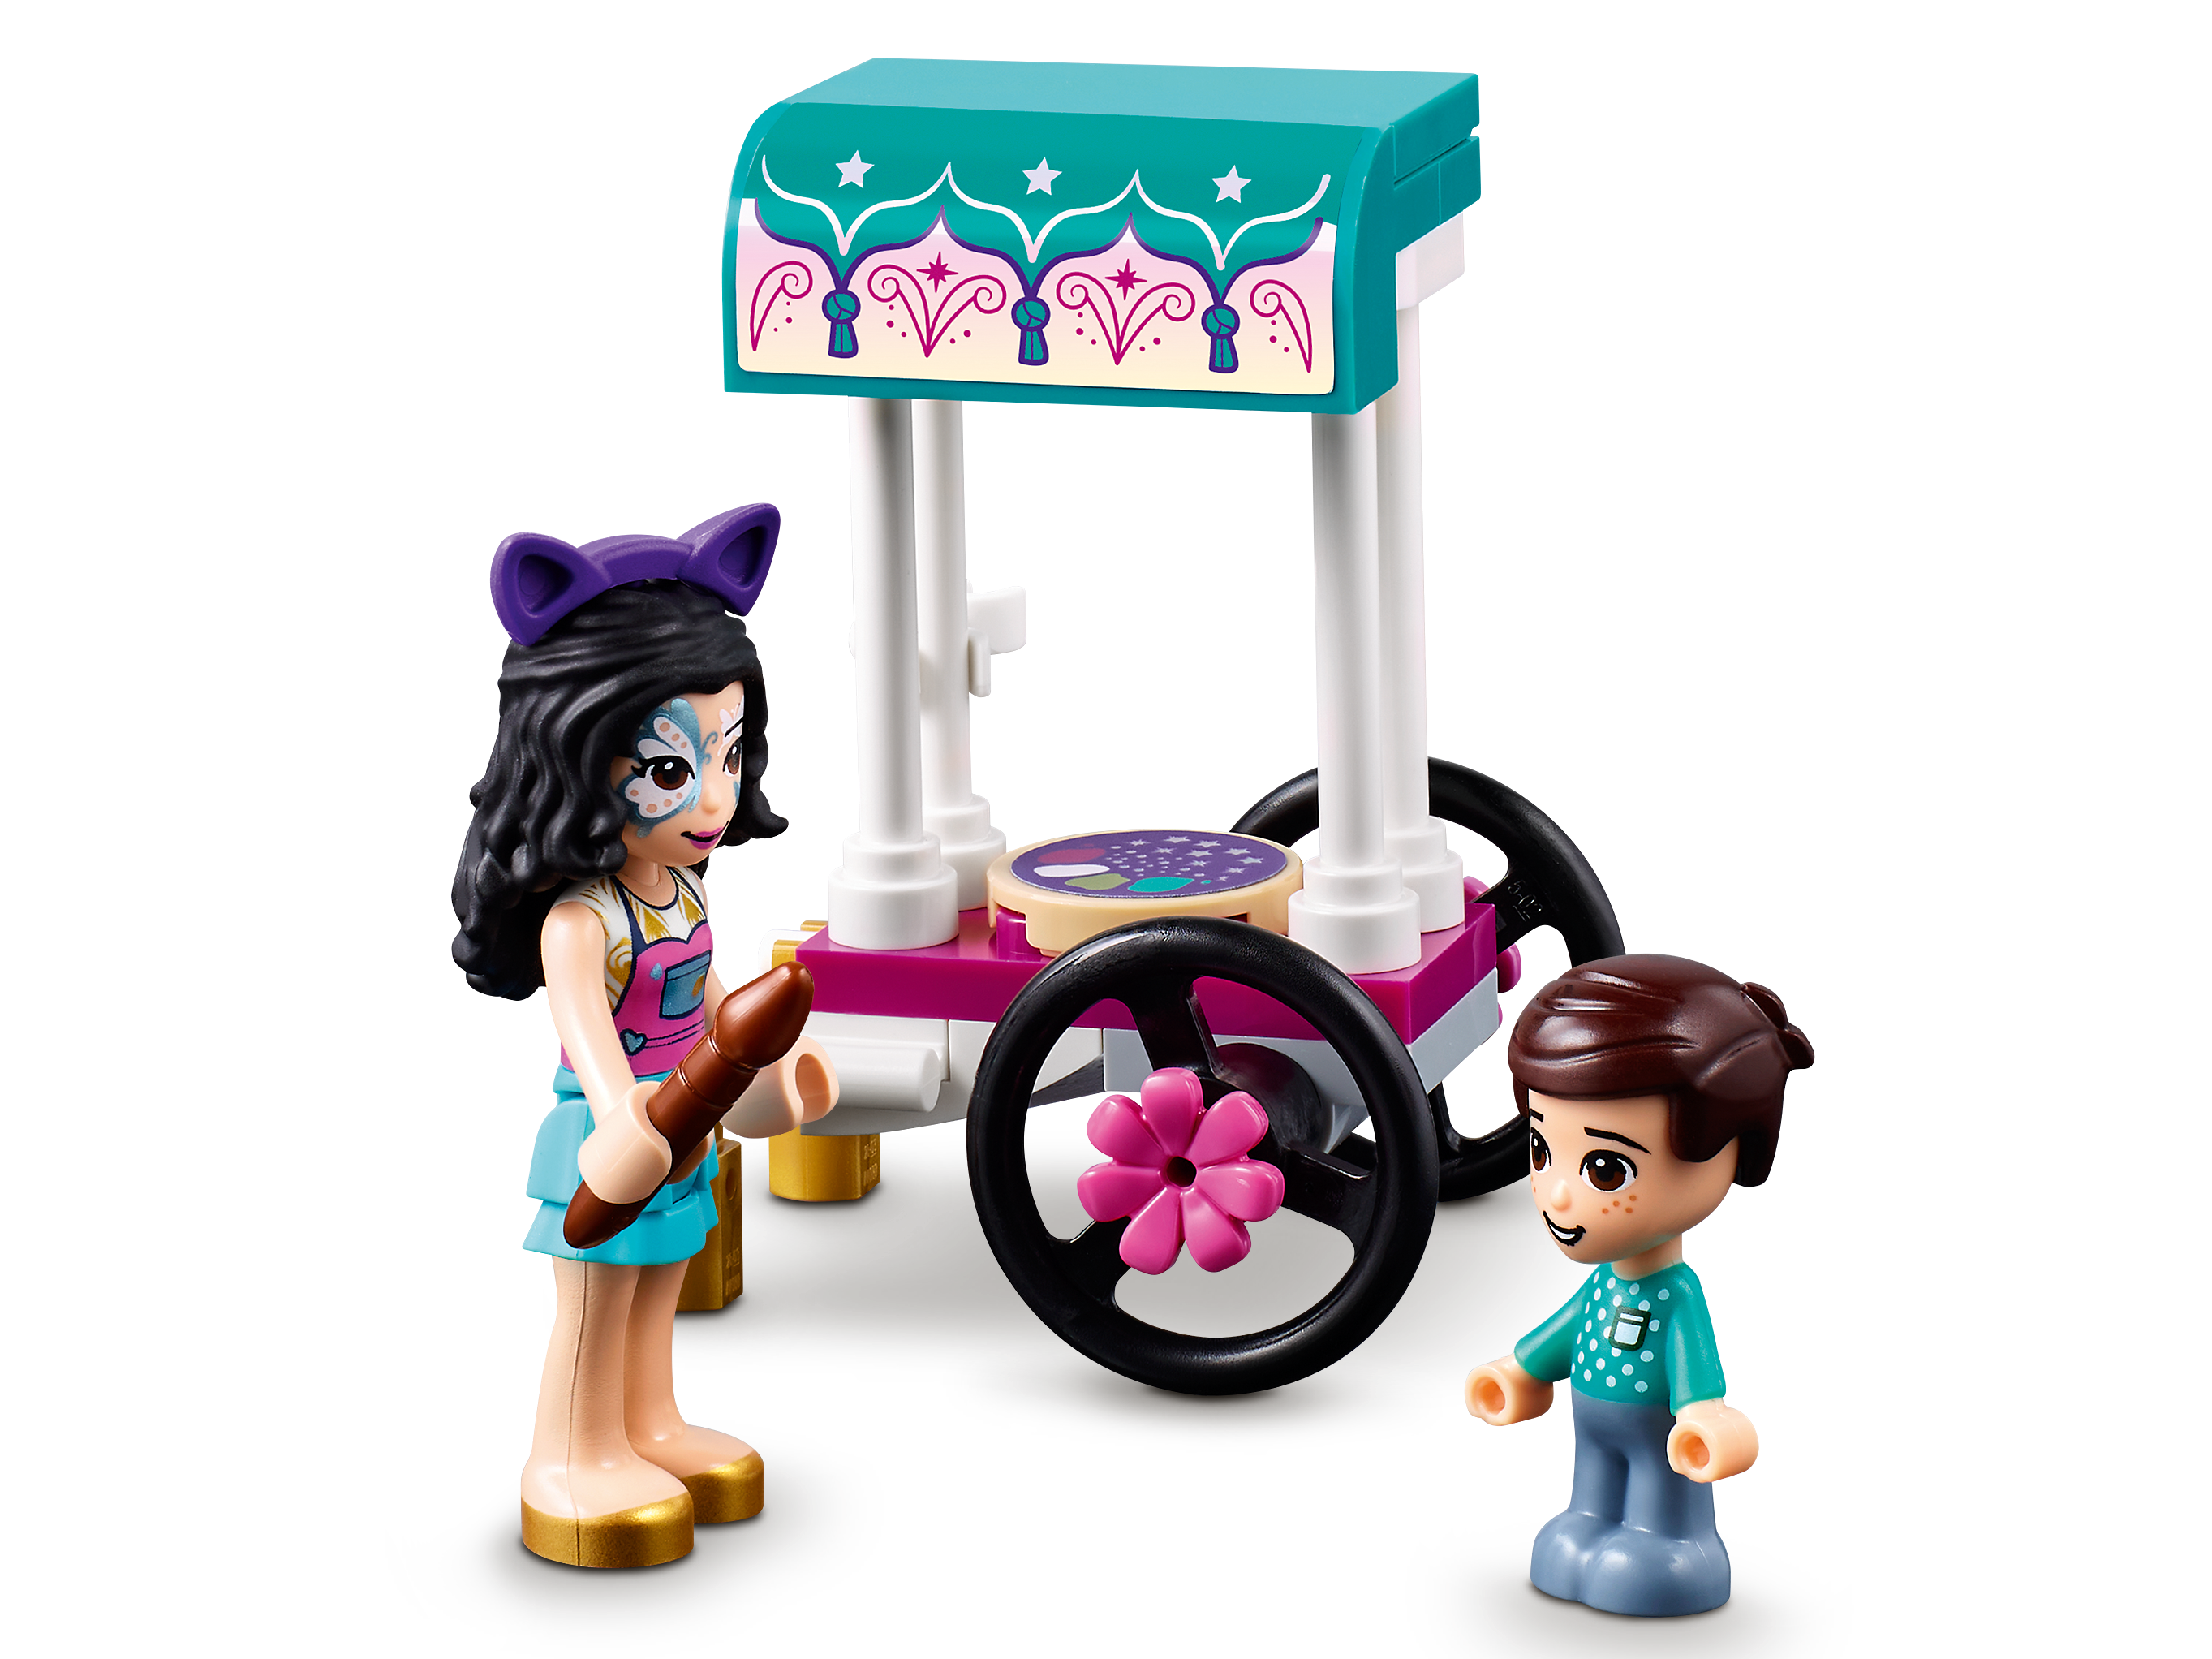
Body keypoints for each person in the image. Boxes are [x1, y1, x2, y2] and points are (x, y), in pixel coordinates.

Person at [452, 504, 834, 1567]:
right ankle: (568, 1455)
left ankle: (647, 1425)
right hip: (608, 1130)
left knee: (662, 1280)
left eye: (728, 755)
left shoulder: (684, 892)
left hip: (685, 1126)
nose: (713, 798)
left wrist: (775, 1078)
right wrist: (627, 1123)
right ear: (574, 761)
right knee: (597, 1294)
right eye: (670, 770)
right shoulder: (584, 921)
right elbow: (588, 1038)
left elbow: (712, 1003)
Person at [1463, 954, 1811, 1616]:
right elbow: (1564, 1332)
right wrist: (1519, 1370)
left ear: (1727, 1151)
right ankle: (1591, 1522)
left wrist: (1703, 1416)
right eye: (1541, 1151)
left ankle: (1674, 1541)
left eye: (1604, 1168)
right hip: (1592, 1422)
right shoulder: (1603, 1286)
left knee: (1657, 1494)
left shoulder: (1676, 1294)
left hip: (1659, 1432)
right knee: (1586, 1505)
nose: (1557, 1196)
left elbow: (1695, 1370)